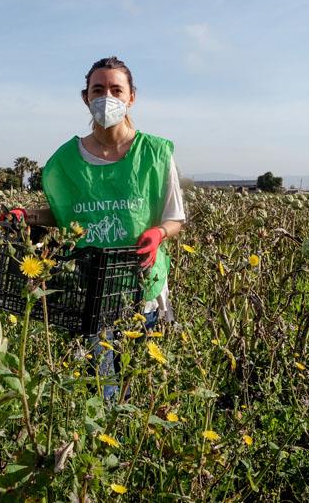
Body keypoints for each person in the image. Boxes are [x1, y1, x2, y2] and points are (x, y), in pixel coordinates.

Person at [11, 56, 186, 397]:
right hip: (91, 288)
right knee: (101, 391)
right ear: (86, 98)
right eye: (98, 89)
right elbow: (66, 214)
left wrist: (159, 232)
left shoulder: (155, 153)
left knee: (139, 391)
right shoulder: (64, 160)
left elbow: (174, 216)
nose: (107, 97)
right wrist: (27, 216)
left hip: (143, 286)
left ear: (131, 97)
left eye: (116, 89)